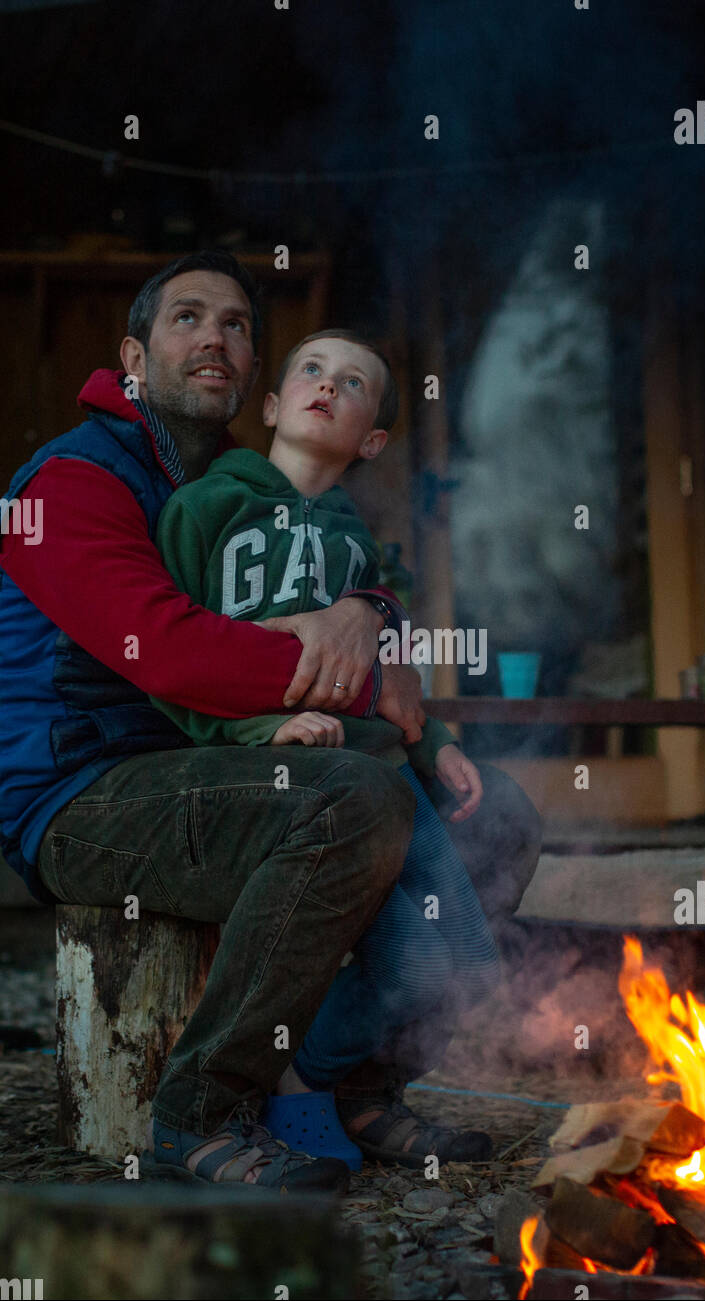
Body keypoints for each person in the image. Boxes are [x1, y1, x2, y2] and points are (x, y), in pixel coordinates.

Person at [0, 251, 542, 1190]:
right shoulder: (69, 485)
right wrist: (367, 685)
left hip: (218, 764)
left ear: (255, 373)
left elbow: (350, 582)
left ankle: (360, 1086)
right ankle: (199, 1111)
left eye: (239, 325)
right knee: (349, 799)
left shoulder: (255, 488)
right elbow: (161, 649)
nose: (215, 335)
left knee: (494, 813)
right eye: (187, 318)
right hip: (81, 787)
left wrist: (373, 616)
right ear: (132, 357)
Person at [147, 328, 502, 1168]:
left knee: (468, 969)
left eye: (353, 383)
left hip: (385, 771)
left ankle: (323, 1080)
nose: (326, 386)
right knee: (414, 967)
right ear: (271, 405)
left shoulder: (357, 546)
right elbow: (172, 663)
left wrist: (435, 744)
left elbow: (394, 663)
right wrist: (258, 728)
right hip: (277, 770)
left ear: (371, 439)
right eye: (310, 370)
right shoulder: (203, 509)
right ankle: (300, 1087)